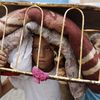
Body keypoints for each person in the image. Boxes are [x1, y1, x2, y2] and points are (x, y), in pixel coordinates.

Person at [0, 34, 74, 100]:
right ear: (30, 50)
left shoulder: (63, 73)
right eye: (36, 49)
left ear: (55, 50)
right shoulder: (26, 73)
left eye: (47, 48)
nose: (41, 55)